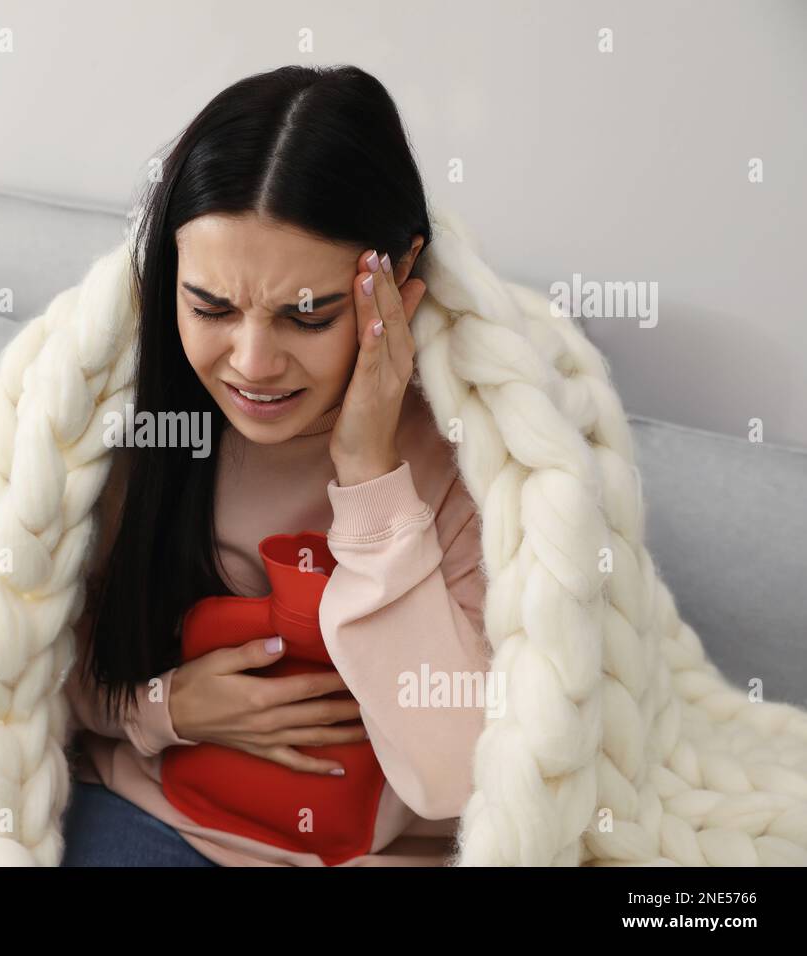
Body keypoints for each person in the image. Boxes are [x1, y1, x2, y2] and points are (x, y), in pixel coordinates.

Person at [61, 63, 492, 867]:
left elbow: (457, 776)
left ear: (397, 278)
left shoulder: (480, 458)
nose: (252, 364)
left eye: (308, 315)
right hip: (150, 822)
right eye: (211, 308)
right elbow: (36, 665)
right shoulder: (133, 417)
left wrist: (370, 475)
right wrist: (166, 708)